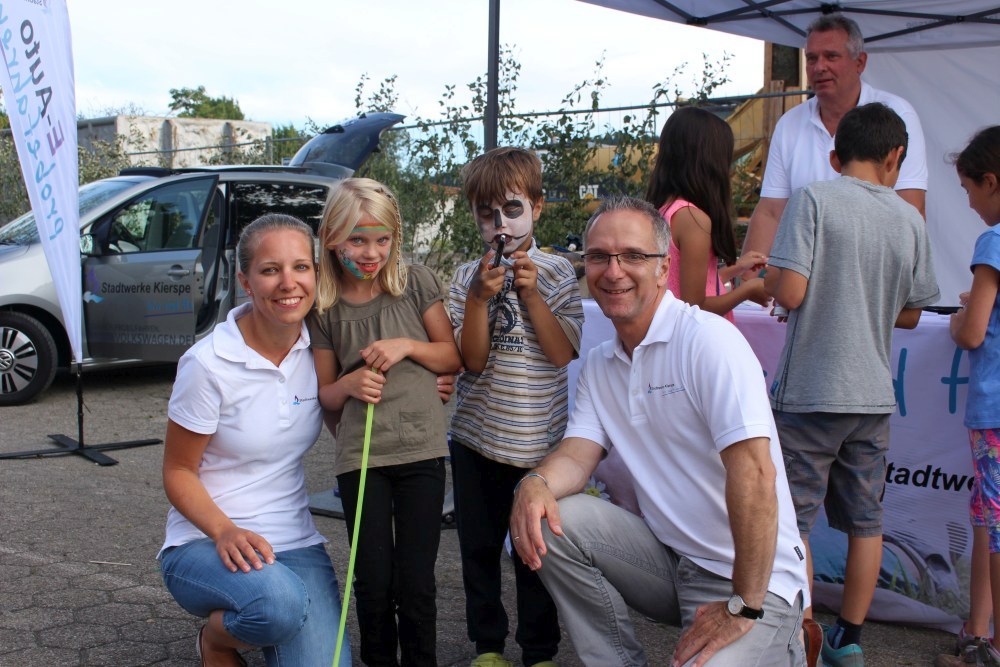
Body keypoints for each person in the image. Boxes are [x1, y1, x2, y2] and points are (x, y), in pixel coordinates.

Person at [509, 194, 809, 666]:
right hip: (673, 564)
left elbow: (755, 475)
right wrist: (534, 482)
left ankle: (784, 641)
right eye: (599, 257)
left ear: (663, 267)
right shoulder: (601, 364)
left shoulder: (708, 341)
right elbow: (576, 455)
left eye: (632, 255)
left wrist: (744, 605)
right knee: (548, 516)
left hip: (755, 582)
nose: (613, 272)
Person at [765, 103, 940, 666]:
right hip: (873, 396)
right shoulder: (909, 219)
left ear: (835, 155)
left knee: (793, 520)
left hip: (811, 391)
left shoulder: (814, 199)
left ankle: (802, 635)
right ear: (895, 157)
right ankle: (850, 639)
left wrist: (770, 274)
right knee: (867, 522)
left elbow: (790, 292)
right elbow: (912, 313)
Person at [158, 213, 351, 667]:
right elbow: (177, 471)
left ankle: (262, 617)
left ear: (316, 274)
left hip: (294, 540)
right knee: (278, 606)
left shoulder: (321, 348)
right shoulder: (208, 363)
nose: (288, 283)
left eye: (301, 267)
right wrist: (224, 530)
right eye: (270, 270)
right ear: (245, 281)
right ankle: (216, 640)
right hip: (206, 541)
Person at [309, 178, 462, 667]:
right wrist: (349, 385)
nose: (371, 252)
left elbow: (452, 356)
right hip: (361, 458)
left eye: (382, 239)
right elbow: (324, 393)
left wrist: (407, 346)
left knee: (416, 583)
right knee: (373, 583)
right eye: (357, 239)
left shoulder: (414, 283)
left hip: (421, 451)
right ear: (331, 237)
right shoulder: (324, 307)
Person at [448, 146, 584, 667]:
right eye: (487, 214)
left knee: (535, 553)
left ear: (537, 207)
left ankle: (539, 651)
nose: (500, 225)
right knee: (478, 551)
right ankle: (487, 648)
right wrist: (479, 300)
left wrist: (532, 296)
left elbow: (561, 352)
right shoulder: (467, 277)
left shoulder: (557, 272)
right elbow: (472, 361)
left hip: (538, 448)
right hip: (477, 440)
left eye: (511, 209)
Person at [742, 12, 927, 260]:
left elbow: (911, 208)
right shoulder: (789, 124)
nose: (819, 67)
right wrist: (750, 278)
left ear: (860, 62)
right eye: (811, 58)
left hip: (871, 271)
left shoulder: (897, 115)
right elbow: (771, 212)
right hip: (802, 275)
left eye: (831, 56)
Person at [939, 125, 1000, 667]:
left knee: (996, 525)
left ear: (991, 182)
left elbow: (973, 332)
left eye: (969, 190)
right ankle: (978, 630)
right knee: (986, 516)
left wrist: (961, 316)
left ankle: (992, 645)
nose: (970, 203)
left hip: (994, 407)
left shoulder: (994, 241)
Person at [645, 105, 769, 321]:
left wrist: (735, 269)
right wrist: (747, 291)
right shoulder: (693, 219)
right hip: (701, 334)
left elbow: (683, 285)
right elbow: (696, 305)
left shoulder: (665, 210)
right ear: (710, 162)